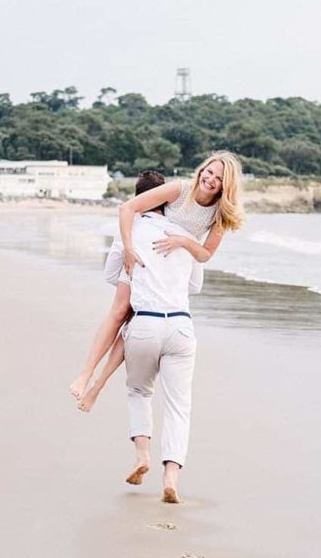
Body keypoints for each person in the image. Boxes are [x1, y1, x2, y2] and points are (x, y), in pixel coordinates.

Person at [71, 151, 245, 411]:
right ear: (202, 169)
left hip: (168, 271)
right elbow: (127, 208)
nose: (210, 179)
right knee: (119, 311)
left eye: (218, 178)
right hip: (141, 256)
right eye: (209, 171)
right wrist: (128, 249)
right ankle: (85, 375)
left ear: (226, 185)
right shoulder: (179, 189)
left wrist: (185, 241)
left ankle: (99, 385)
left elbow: (206, 254)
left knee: (133, 323)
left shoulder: (220, 213)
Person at [120, 202, 202, 503]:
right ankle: (171, 476)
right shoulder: (188, 235)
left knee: (139, 392)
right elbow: (195, 286)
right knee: (179, 406)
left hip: (145, 323)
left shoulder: (132, 229)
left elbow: (112, 272)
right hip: (180, 324)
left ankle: (142, 454)